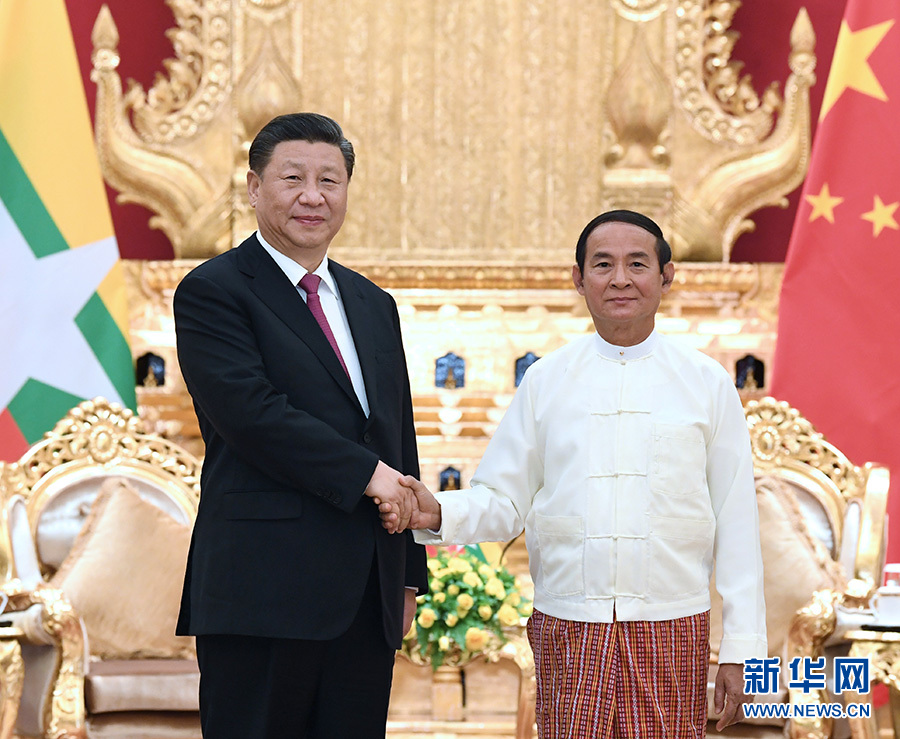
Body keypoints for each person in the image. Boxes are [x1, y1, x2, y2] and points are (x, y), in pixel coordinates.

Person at [391, 210, 766, 737]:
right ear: (578, 278)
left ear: (666, 276)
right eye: (603, 264)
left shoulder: (707, 382)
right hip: (569, 628)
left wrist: (743, 650)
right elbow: (504, 500)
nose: (620, 279)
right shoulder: (546, 380)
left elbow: (737, 521)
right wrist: (436, 511)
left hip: (671, 627)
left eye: (638, 264)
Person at [173, 112, 426, 738]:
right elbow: (251, 414)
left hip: (366, 594)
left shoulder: (373, 303)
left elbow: (397, 433)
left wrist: (408, 576)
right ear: (254, 187)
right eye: (293, 178)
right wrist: (369, 476)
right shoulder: (213, 291)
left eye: (329, 180)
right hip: (262, 591)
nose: (313, 196)